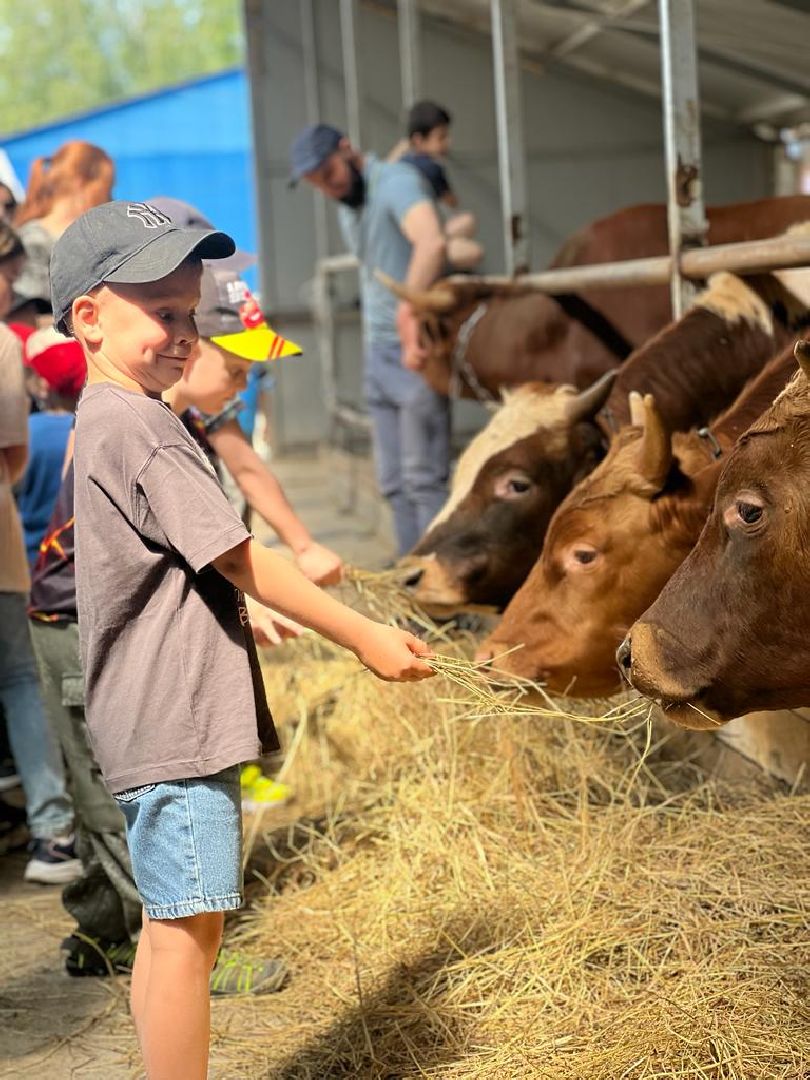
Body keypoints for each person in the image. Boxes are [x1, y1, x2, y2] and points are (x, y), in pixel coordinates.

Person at [51, 199, 434, 1078]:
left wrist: (230, 605)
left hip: (146, 716)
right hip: (176, 725)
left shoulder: (109, 416)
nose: (185, 336)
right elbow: (245, 558)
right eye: (164, 314)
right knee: (194, 935)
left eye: (191, 314)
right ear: (89, 315)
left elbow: (182, 569)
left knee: (167, 927)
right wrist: (363, 635)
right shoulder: (147, 430)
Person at [290, 123, 451, 555]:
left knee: (423, 478)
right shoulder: (350, 203)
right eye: (316, 183)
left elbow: (432, 242)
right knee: (394, 482)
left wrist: (408, 307)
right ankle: (410, 578)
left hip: (413, 346)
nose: (328, 187)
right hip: (378, 350)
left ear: (347, 148)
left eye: (329, 173)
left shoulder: (396, 183)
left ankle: (440, 588)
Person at [0, 221, 79, 885]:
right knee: (22, 681)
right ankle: (52, 830)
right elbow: (14, 460)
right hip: (5, 563)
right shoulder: (2, 345)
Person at [11, 141, 114, 327]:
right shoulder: (34, 239)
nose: (110, 198)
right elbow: (24, 319)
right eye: (107, 187)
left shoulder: (84, 236)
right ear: (82, 182)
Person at [14, 326, 85, 564]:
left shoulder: (28, 430)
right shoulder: (92, 428)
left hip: (30, 560)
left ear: (42, 384)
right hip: (79, 561)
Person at [390, 101, 483, 272]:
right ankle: (427, 250)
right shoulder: (430, 167)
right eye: (441, 137)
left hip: (399, 238)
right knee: (469, 227)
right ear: (418, 140)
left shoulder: (397, 166)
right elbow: (452, 202)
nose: (447, 142)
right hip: (420, 239)